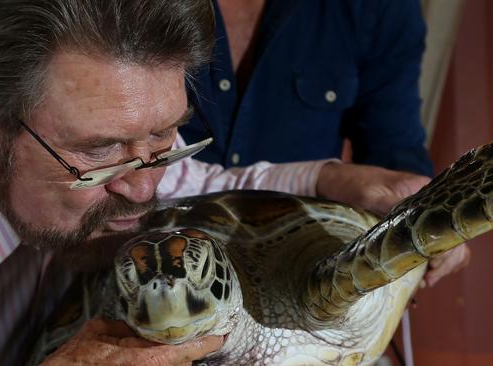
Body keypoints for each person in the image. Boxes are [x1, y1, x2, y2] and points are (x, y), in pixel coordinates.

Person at [0, 1, 461, 365]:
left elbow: (149, 159)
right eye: (101, 152)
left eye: (166, 137)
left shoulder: (55, 103)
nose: (147, 193)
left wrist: (328, 177)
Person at [178, 0, 469, 288]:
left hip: (301, 282)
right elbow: (175, 181)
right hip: (162, 275)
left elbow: (394, 155)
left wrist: (420, 213)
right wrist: (326, 179)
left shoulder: (379, 8)